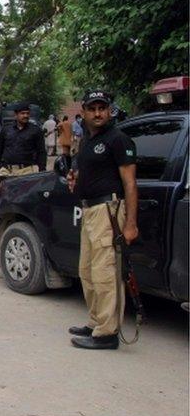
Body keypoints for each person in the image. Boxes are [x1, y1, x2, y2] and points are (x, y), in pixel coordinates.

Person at [67, 91, 138, 350]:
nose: (98, 113)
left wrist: (130, 223)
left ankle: (107, 333)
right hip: (89, 211)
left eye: (102, 108)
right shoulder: (88, 140)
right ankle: (96, 321)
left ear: (110, 111)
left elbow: (130, 183)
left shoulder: (118, 139)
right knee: (87, 271)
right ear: (84, 112)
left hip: (108, 211)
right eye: (92, 108)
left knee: (106, 272)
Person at [0, 102, 46, 177]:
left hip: (26, 171)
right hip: (6, 171)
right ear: (16, 115)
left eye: (27, 113)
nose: (25, 116)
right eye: (22, 113)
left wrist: (42, 171)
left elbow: (41, 152)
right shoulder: (6, 129)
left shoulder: (35, 131)